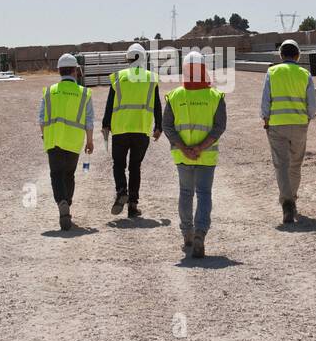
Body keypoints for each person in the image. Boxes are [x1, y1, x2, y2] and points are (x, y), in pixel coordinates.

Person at [163, 51, 226, 258]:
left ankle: (187, 234)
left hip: (182, 157)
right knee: (204, 194)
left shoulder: (175, 96)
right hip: (206, 156)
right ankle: (200, 233)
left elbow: (167, 127)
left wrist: (184, 148)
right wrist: (201, 148)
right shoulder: (215, 96)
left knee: (186, 193)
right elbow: (219, 127)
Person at [101, 43, 163, 218]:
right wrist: (159, 126)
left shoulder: (119, 77)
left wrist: (106, 125)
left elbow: (109, 103)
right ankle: (133, 205)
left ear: (128, 59)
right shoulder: (151, 78)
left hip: (120, 129)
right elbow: (157, 104)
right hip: (141, 129)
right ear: (143, 58)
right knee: (135, 167)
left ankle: (121, 191)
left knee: (119, 165)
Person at [261, 38, 316, 224]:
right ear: (298, 55)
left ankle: (287, 203)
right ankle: (291, 198)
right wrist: (308, 118)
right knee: (295, 164)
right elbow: (312, 105)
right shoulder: (305, 74)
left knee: (281, 165)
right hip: (299, 125)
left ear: (281, 55)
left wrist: (266, 118)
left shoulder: (272, 72)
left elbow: (265, 100)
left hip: (277, 125)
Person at [39, 53, 94, 231]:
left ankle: (61, 202)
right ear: (75, 71)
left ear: (59, 71)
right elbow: (89, 120)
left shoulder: (49, 91)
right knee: (69, 174)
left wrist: (44, 136)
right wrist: (90, 141)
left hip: (53, 140)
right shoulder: (84, 93)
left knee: (56, 174)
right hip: (73, 141)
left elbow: (41, 119)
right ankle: (67, 203)